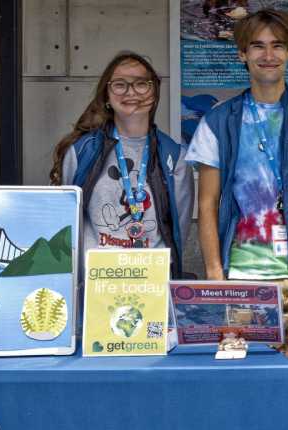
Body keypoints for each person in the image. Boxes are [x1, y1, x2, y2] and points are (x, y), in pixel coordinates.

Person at [185, 9, 288, 313]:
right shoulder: (217, 120)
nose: (268, 55)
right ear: (242, 54)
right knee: (248, 359)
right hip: (245, 274)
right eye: (257, 46)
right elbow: (207, 203)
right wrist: (214, 271)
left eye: (277, 45)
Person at [50, 51, 194, 278]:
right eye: (120, 85)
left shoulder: (174, 156)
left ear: (154, 92)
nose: (131, 92)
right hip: (95, 279)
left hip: (152, 279)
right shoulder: (82, 151)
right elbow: (64, 220)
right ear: (106, 95)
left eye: (141, 84)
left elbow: (179, 228)